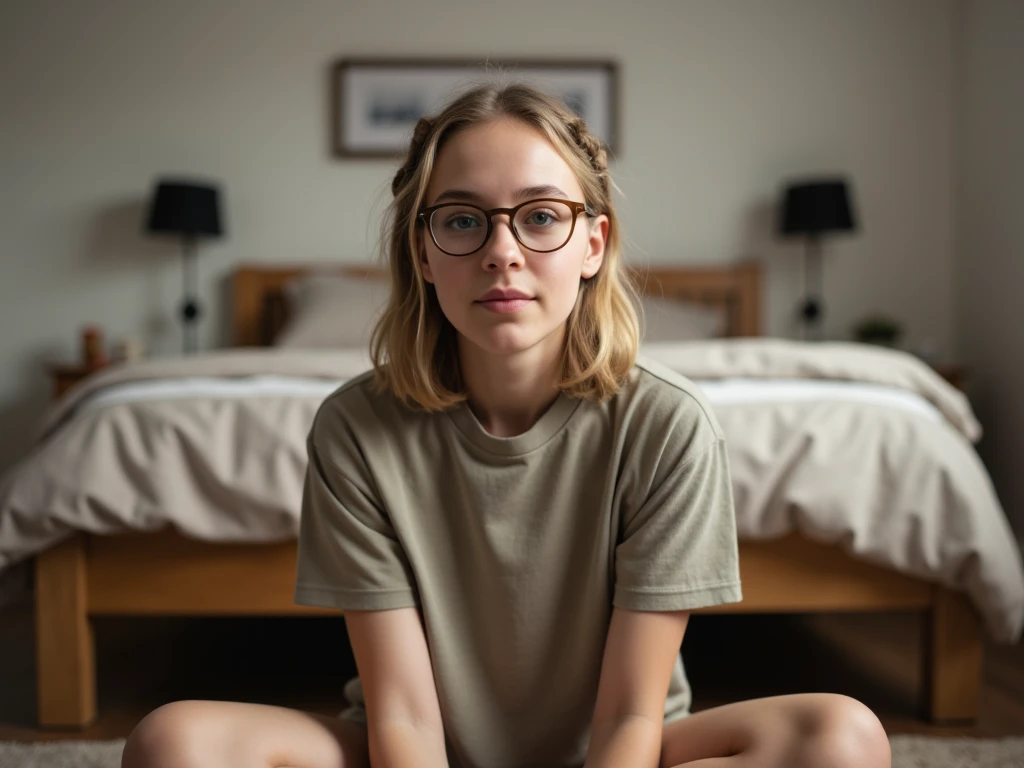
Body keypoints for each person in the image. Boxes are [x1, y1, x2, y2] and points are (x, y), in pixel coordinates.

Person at [121, 83, 891, 768]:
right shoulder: (355, 427)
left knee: (844, 738)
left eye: (541, 217)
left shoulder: (667, 424)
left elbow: (630, 713)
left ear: (593, 243)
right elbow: (402, 713)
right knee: (173, 744)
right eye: (462, 220)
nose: (501, 252)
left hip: (623, 750)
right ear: (423, 250)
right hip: (412, 751)